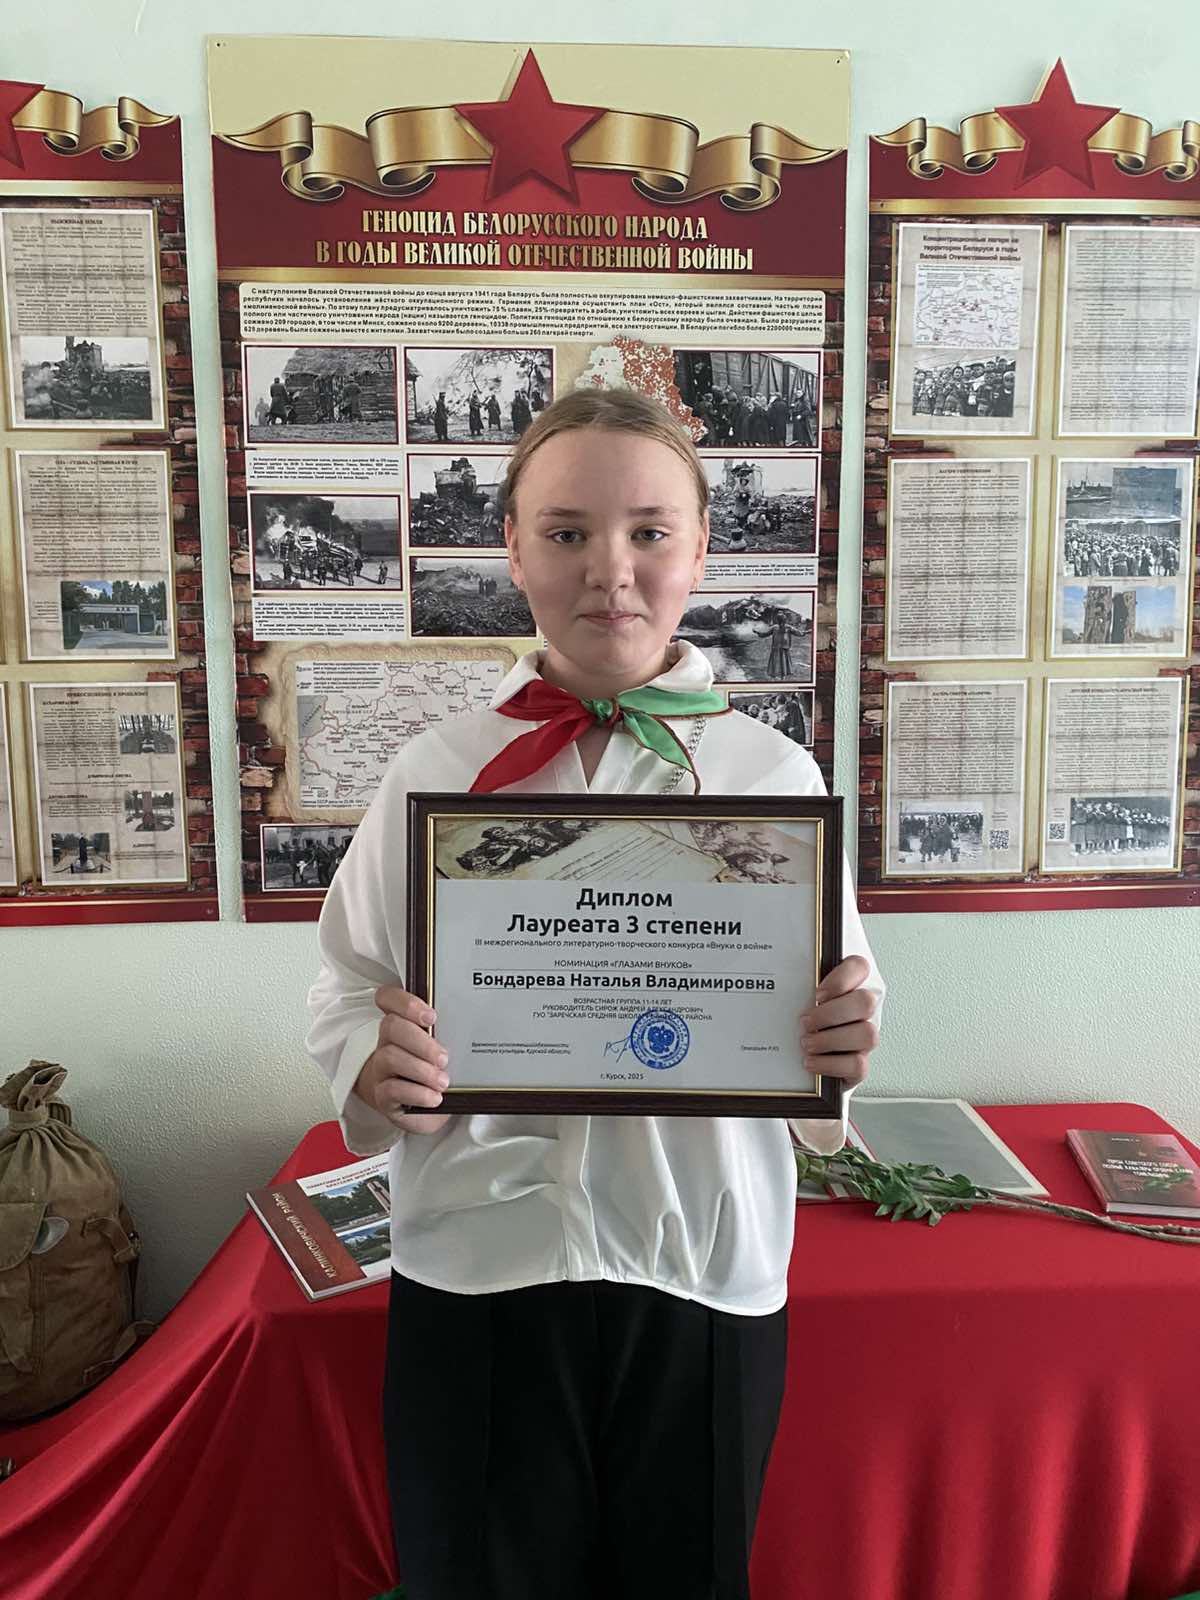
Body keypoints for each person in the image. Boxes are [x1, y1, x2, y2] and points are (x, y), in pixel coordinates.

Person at [306, 388, 883, 1600]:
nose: (609, 570)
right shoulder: (437, 772)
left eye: (648, 531)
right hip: (481, 1270)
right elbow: (347, 981)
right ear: (512, 548)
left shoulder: (772, 777)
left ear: (700, 549)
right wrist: (371, 1056)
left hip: (702, 1271)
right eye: (566, 532)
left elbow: (835, 996)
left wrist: (841, 1038)